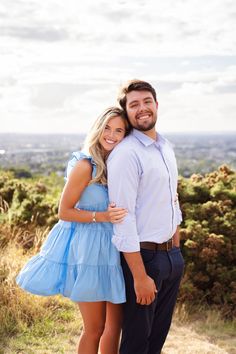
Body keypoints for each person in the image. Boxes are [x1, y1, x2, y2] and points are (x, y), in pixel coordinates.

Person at [16, 107, 130, 354]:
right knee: (95, 328)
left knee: (115, 325)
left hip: (114, 250)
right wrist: (103, 216)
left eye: (119, 130)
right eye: (107, 128)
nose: (111, 135)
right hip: (89, 252)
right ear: (98, 129)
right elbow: (64, 211)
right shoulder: (85, 165)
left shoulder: (118, 165)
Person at [107, 80, 185, 354]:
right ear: (127, 112)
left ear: (156, 105)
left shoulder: (165, 147)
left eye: (146, 102)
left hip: (171, 257)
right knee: (136, 343)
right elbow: (123, 219)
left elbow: (171, 199)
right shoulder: (127, 154)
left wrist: (176, 247)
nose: (142, 109)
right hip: (143, 260)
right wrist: (139, 276)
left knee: (156, 341)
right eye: (134, 104)